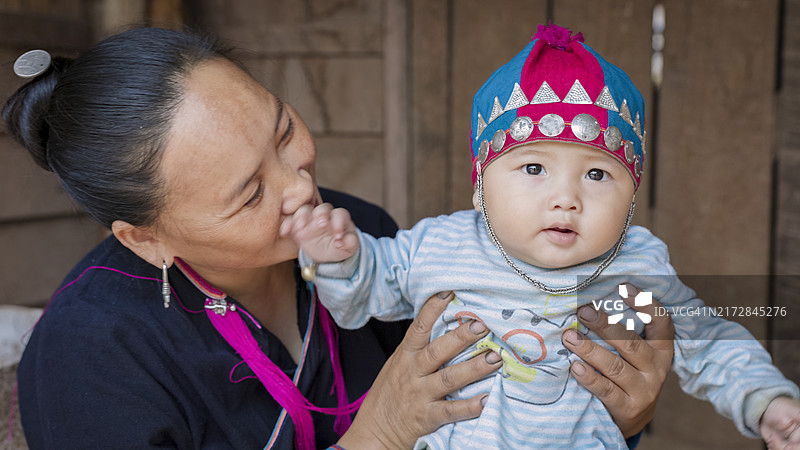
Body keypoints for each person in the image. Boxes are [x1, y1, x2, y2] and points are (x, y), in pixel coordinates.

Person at [3, 27, 674, 449]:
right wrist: (378, 435)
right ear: (144, 237)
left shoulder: (362, 238)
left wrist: (619, 417)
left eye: (284, 130)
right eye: (251, 193)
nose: (301, 188)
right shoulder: (87, 360)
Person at [285, 23, 800, 449]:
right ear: (481, 186)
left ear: (633, 198)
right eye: (533, 167)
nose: (566, 198)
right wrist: (340, 259)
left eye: (597, 175)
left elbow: (702, 339)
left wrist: (765, 400)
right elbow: (365, 294)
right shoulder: (444, 248)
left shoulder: (626, 274)